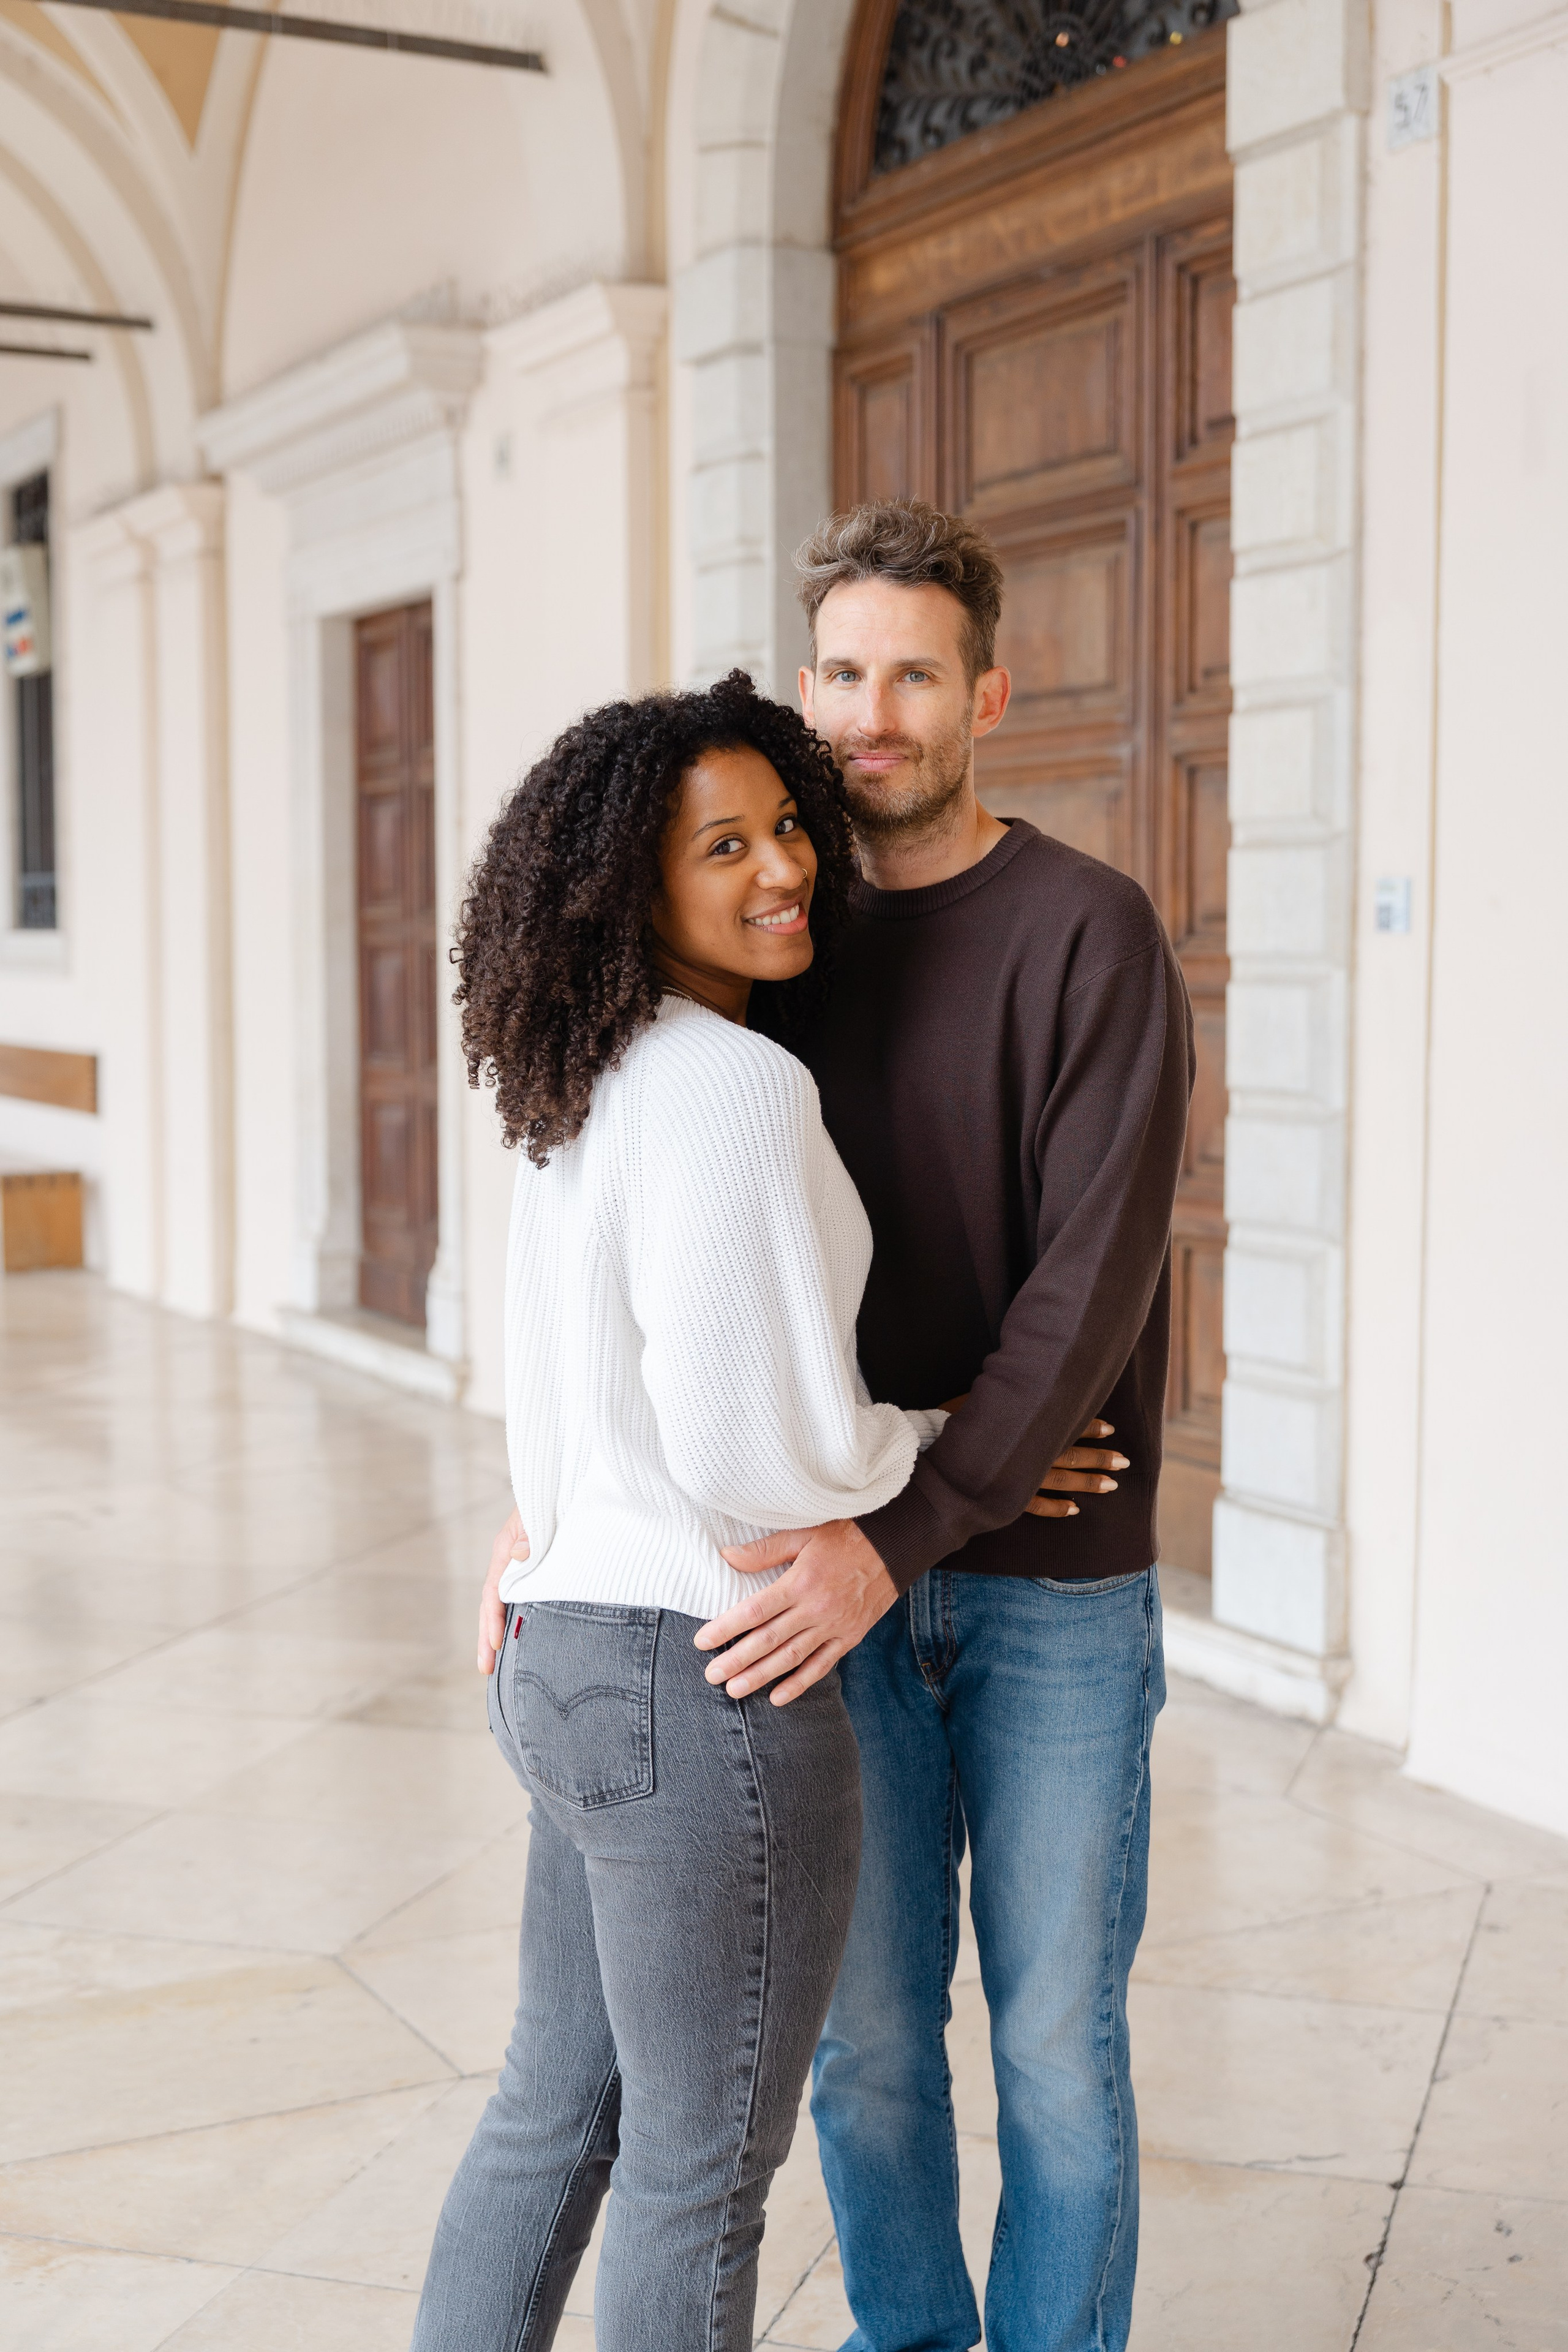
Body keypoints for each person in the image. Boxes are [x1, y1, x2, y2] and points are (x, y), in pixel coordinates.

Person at [483, 502, 1194, 2352]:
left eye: (915, 675)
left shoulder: (1087, 930)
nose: (871, 713)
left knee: (1052, 2043)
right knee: (870, 2052)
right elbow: (630, 1242)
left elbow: (1095, 1276)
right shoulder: (768, 932)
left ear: (988, 695)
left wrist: (932, 1508)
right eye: (844, 672)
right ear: (807, 684)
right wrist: (555, 1501)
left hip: (1036, 1572)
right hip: (814, 1585)